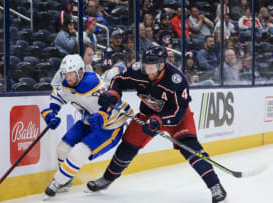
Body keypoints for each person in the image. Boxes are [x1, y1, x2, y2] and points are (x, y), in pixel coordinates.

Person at [86, 46, 227, 203]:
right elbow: (118, 81)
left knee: (191, 148)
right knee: (127, 146)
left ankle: (215, 185)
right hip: (147, 115)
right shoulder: (137, 70)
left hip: (177, 118)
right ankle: (107, 179)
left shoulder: (177, 80)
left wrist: (160, 120)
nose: (149, 71)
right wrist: (112, 94)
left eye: (152, 67)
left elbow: (178, 112)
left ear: (162, 65)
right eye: (146, 66)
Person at [41, 54, 132, 199]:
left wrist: (102, 115)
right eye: (65, 74)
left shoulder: (92, 84)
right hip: (89, 121)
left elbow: (110, 102)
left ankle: (57, 182)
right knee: (62, 148)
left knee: (78, 152)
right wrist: (51, 112)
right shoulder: (68, 84)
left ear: (80, 72)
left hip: (110, 126)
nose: (68, 77)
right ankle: (65, 181)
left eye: (71, 74)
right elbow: (58, 97)